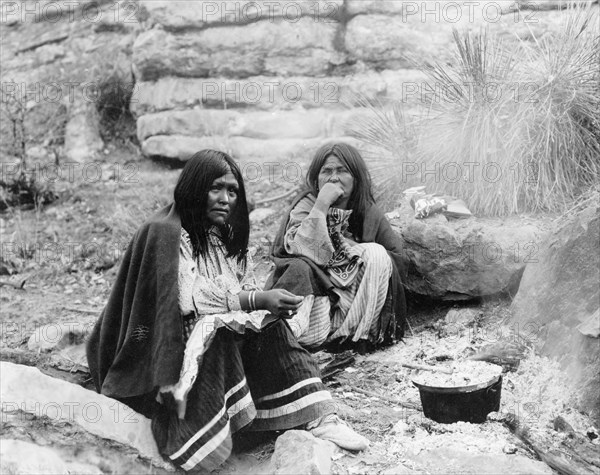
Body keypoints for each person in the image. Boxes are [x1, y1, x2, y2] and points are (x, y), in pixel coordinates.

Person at [86, 150, 368, 473]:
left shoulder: (220, 236)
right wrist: (256, 300)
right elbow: (190, 299)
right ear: (194, 188)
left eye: (232, 191)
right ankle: (208, 434)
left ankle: (317, 415)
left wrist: (263, 310)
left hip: (209, 336)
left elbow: (238, 289)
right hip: (161, 356)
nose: (225, 199)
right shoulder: (165, 232)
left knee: (271, 327)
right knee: (216, 332)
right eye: (215, 188)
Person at [266, 142, 408, 353]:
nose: (333, 178)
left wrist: (354, 249)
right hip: (316, 299)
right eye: (327, 172)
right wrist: (322, 205)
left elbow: (398, 260)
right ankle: (286, 341)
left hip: (352, 306)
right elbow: (302, 250)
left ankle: (356, 337)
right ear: (316, 179)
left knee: (377, 254)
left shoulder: (367, 211)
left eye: (341, 171)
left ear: (356, 178)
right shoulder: (305, 206)